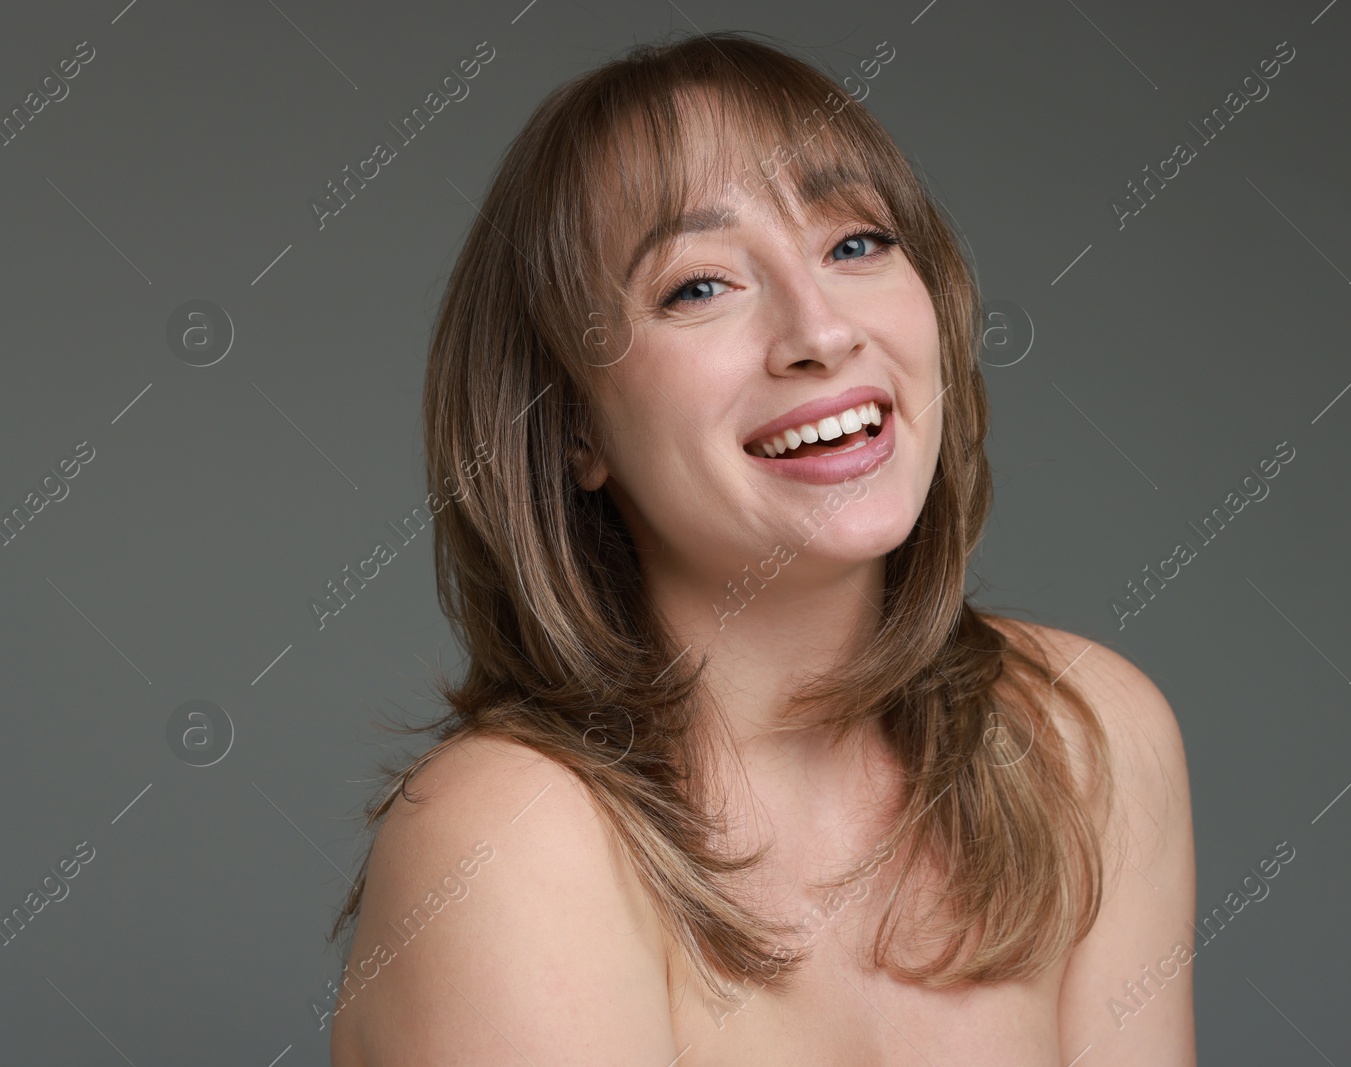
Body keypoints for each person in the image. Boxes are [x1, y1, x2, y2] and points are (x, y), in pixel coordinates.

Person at [327, 29, 1194, 1066]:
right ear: (574, 429)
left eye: (854, 243)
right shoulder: (504, 837)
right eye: (698, 286)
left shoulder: (1085, 736)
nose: (819, 330)